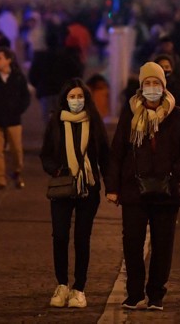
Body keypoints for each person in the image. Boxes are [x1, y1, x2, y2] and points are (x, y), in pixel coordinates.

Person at [105, 61, 180, 312]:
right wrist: (112, 187)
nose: (152, 87)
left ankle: (156, 294)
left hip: (167, 192)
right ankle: (134, 294)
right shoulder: (130, 114)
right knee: (132, 243)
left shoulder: (177, 115)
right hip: (134, 190)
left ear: (164, 85)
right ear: (141, 87)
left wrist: (175, 173)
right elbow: (117, 153)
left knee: (163, 245)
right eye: (147, 83)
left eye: (156, 83)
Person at [40, 78, 109, 309]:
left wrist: (113, 188)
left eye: (80, 97)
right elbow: (45, 155)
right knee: (59, 236)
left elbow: (105, 157)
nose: (76, 101)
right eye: (72, 97)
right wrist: (56, 169)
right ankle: (61, 285)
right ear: (65, 99)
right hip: (62, 186)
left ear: (86, 99)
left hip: (88, 188)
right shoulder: (56, 123)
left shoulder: (95, 122)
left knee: (82, 238)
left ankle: (79, 288)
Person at [0, 48, 31, 190]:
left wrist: (18, 110)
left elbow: (25, 97)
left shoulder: (18, 77)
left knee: (16, 149)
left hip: (13, 119)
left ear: (9, 60)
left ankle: (17, 171)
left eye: (0, 58)